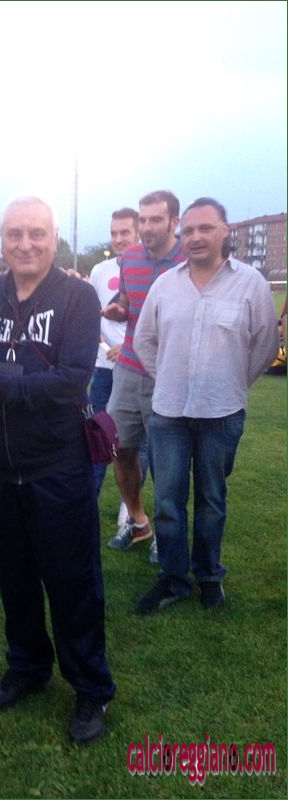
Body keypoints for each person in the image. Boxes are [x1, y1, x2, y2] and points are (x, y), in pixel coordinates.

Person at [0, 196, 116, 745]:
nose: (26, 244)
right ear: (1, 240)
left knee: (73, 582)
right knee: (15, 577)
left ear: (54, 239)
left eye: (37, 234)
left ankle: (91, 687)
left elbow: (73, 380)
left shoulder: (77, 296)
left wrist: (1, 383)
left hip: (57, 466)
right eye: (15, 234)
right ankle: (27, 666)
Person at [133, 197, 279, 613]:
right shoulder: (166, 285)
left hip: (222, 413)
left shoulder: (250, 283)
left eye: (206, 228)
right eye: (189, 230)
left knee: (212, 500)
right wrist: (166, 377)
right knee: (168, 502)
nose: (195, 237)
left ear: (225, 231)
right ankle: (173, 579)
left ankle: (209, 575)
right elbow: (144, 340)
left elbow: (266, 344)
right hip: (169, 414)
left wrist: (233, 382)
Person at [102, 190, 185, 563]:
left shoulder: (188, 259)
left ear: (174, 222)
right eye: (144, 219)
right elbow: (127, 300)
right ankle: (138, 521)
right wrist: (118, 310)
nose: (148, 227)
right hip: (128, 370)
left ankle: (166, 536)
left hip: (170, 375)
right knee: (119, 449)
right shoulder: (130, 258)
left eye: (156, 219)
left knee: (168, 459)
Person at [88, 208, 148, 518]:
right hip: (104, 369)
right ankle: (88, 504)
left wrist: (127, 347)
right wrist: (101, 341)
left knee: (135, 445)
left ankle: (129, 509)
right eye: (114, 233)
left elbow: (156, 323)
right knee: (97, 435)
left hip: (139, 370)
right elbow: (90, 313)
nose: (119, 238)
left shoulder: (150, 270)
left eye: (125, 232)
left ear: (138, 233)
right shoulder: (100, 271)